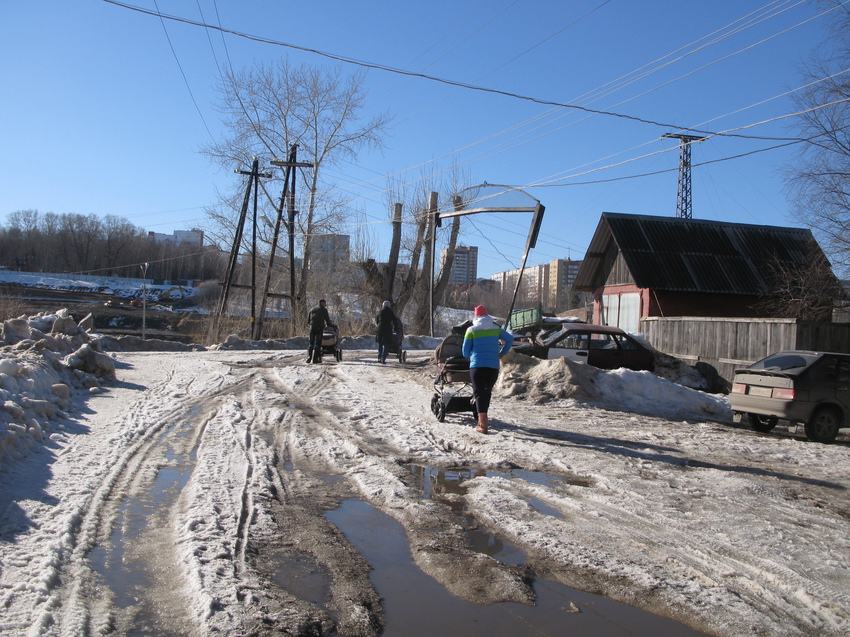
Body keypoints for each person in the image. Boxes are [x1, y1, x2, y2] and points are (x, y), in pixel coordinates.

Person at [461, 305, 513, 434]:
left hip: (477, 366)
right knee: (487, 392)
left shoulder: (471, 330)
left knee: (478, 393)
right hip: (493, 366)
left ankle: (482, 423)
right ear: (487, 315)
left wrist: (469, 356)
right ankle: (484, 418)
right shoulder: (496, 329)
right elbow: (510, 339)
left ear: (476, 316)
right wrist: (502, 352)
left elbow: (465, 351)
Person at [307, 299, 335, 363]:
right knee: (318, 343)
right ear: (322, 303)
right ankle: (315, 359)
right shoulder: (324, 310)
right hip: (319, 327)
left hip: (312, 327)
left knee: (311, 343)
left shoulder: (312, 309)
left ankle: (309, 357)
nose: (326, 304)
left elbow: (308, 321)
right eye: (325, 303)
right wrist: (329, 325)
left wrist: (312, 324)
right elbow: (327, 320)